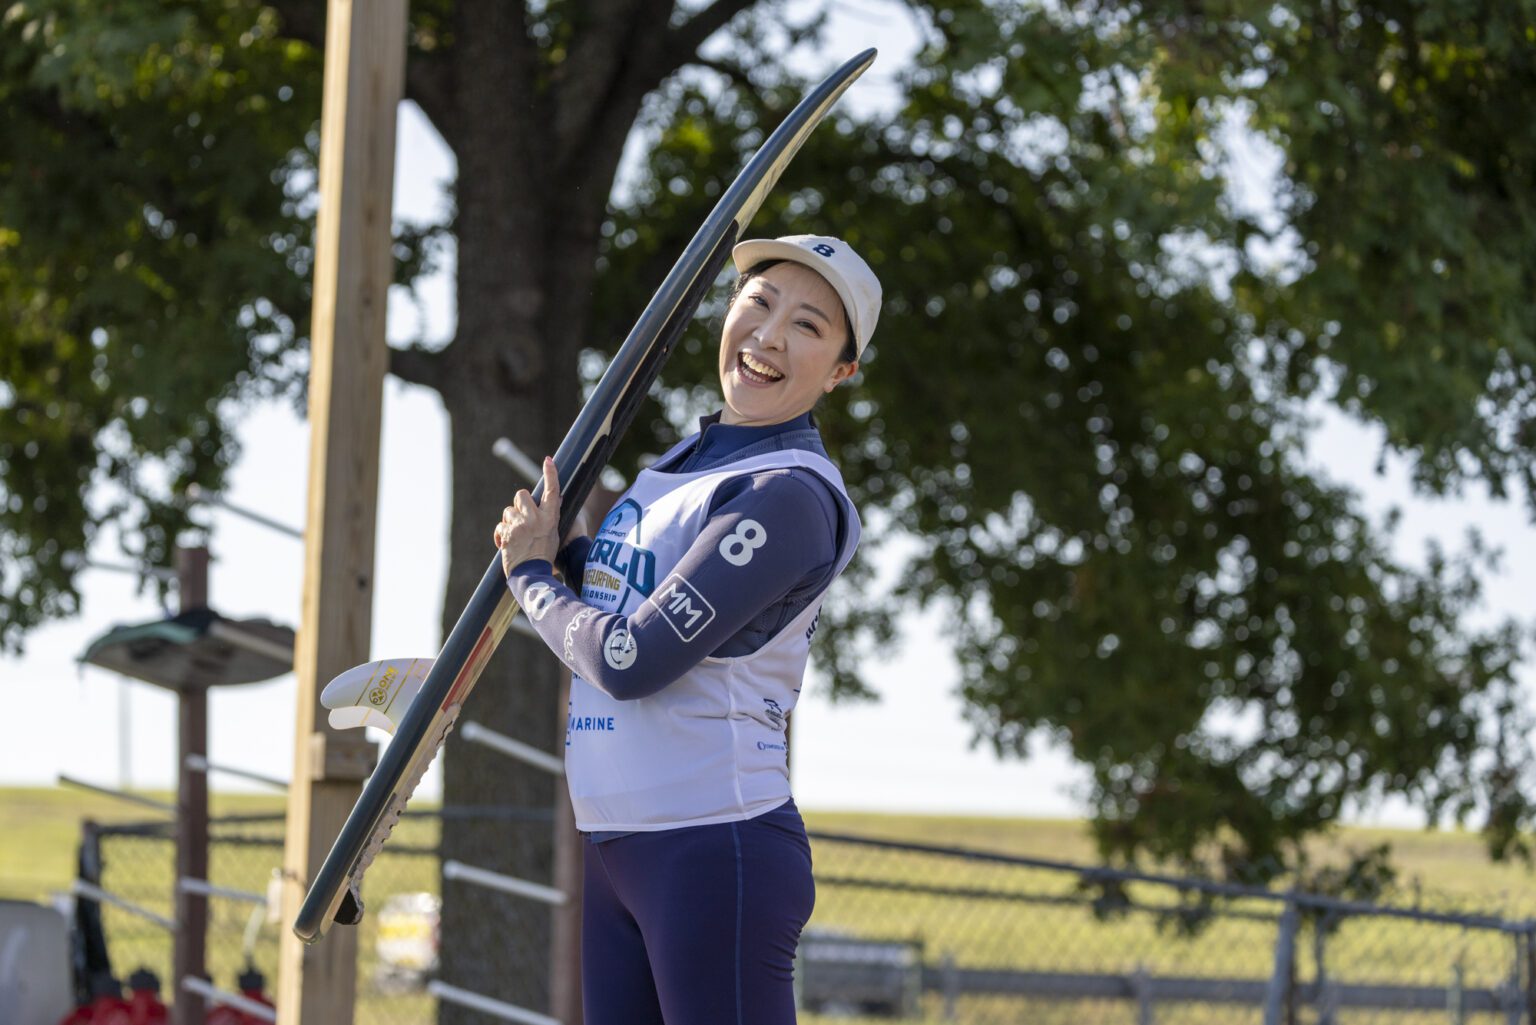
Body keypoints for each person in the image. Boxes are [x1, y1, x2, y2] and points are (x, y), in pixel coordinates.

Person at [493, 234, 880, 1025]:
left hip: (712, 845)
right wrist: (561, 550)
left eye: (809, 326)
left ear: (841, 371)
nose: (770, 335)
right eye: (759, 302)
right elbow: (610, 599)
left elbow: (630, 658)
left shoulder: (787, 493)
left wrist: (530, 577)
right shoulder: (683, 461)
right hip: (616, 843)